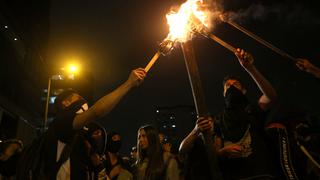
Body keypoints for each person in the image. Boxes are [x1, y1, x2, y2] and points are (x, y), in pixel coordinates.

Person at [41, 68, 146, 180]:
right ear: (65, 103)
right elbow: (97, 111)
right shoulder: (62, 122)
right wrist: (128, 84)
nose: (83, 103)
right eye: (79, 99)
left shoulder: (80, 133)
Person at [214, 48, 278, 179]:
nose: (231, 87)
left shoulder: (252, 109)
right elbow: (215, 151)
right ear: (224, 94)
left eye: (235, 84)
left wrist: (249, 68)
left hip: (260, 174)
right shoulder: (219, 119)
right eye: (227, 86)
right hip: (233, 175)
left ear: (243, 91)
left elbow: (270, 96)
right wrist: (222, 152)